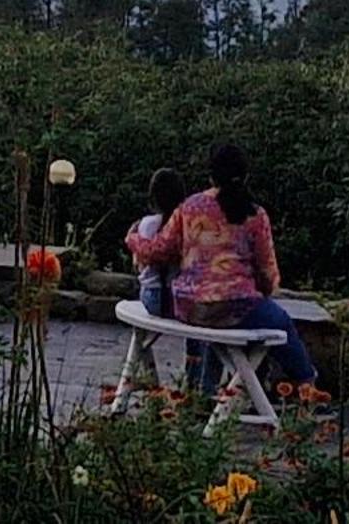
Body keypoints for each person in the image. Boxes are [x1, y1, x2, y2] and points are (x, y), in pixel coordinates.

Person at [124, 143, 317, 388]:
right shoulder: (255, 215)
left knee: (212, 329)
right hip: (237, 307)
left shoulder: (190, 207)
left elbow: (159, 250)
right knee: (282, 324)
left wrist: (133, 239)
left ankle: (205, 390)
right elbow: (267, 273)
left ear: (211, 176)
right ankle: (307, 387)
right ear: (246, 176)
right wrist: (262, 295)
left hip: (189, 306)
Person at [129, 167, 186, 318]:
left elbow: (138, 264)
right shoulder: (186, 225)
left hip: (152, 296)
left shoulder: (145, 224)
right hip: (179, 298)